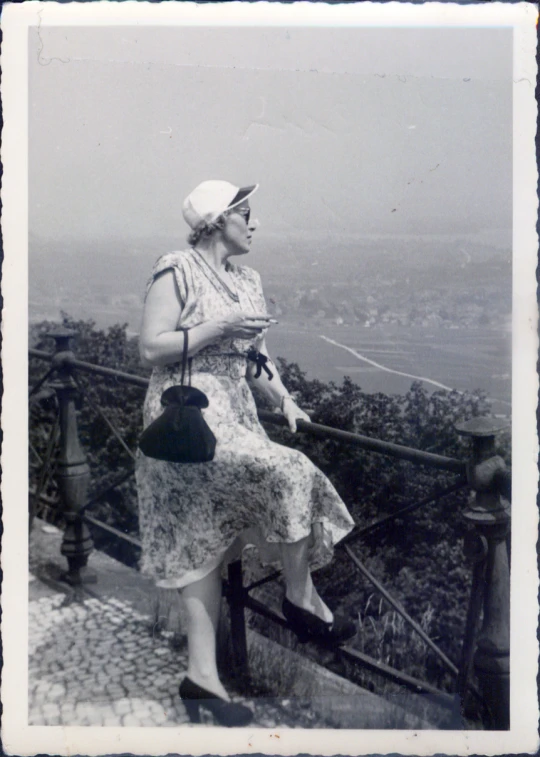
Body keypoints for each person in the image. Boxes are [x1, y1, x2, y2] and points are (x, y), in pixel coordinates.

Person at [136, 180, 355, 726]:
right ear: (215, 222)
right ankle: (300, 601)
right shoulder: (176, 268)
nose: (254, 225)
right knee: (285, 473)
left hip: (235, 413)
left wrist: (286, 400)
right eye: (245, 215)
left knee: (205, 544)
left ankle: (201, 680)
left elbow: (258, 357)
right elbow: (151, 346)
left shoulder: (249, 280)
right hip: (185, 416)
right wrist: (218, 327)